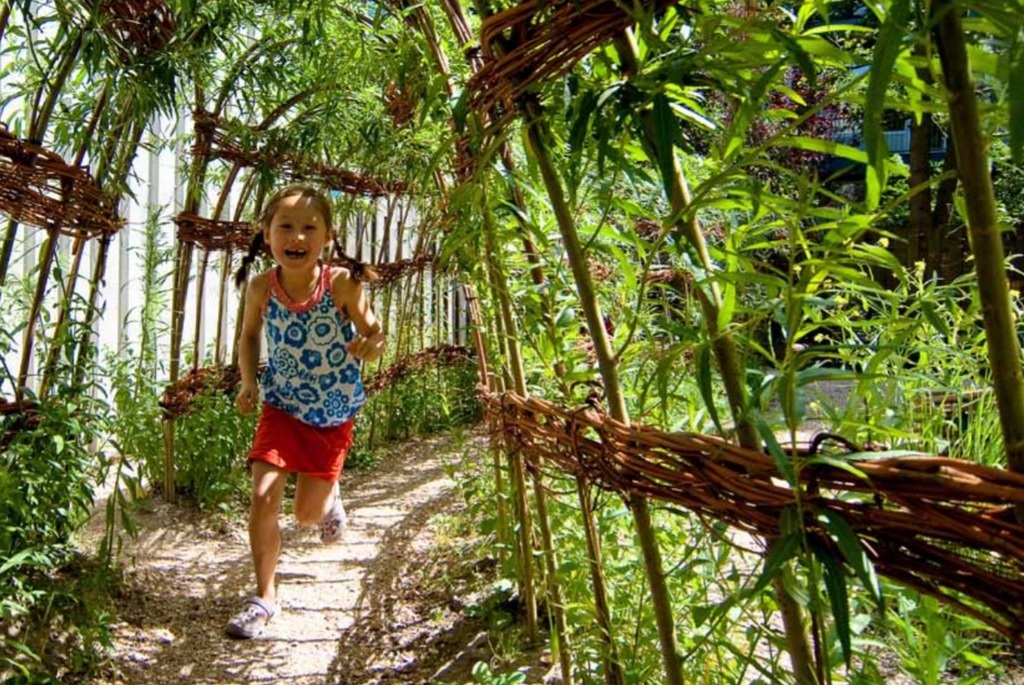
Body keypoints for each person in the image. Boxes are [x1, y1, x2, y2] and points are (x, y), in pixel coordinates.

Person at [225, 184, 386, 639]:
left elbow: (374, 334)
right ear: (267, 233)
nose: (297, 237)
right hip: (282, 404)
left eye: (309, 228)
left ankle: (330, 497)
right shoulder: (261, 287)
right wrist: (250, 381)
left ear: (328, 237)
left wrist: (368, 347)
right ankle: (263, 598)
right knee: (262, 496)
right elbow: (249, 337)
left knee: (306, 517)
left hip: (333, 411)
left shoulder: (341, 284)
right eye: (286, 227)